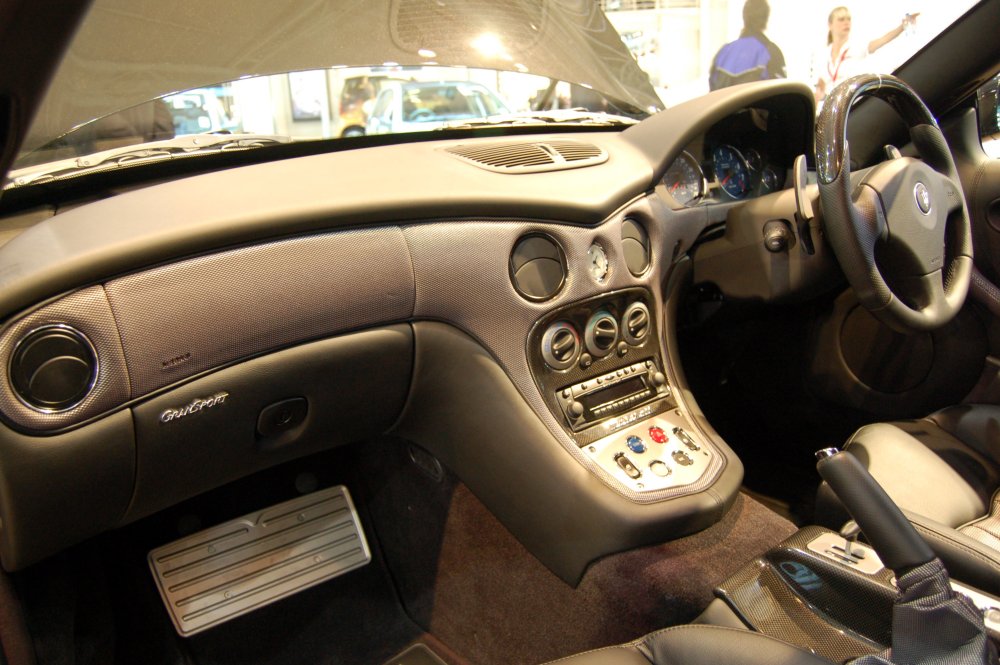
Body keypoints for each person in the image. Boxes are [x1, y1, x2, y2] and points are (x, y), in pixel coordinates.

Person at [812, 6, 919, 103]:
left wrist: (902, 27)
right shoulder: (823, 54)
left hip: (853, 103)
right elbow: (820, 88)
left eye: (848, 19)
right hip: (833, 108)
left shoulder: (856, 46)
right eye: (841, 19)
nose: (846, 22)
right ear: (830, 25)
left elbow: (883, 40)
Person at [709, 0, 786, 91]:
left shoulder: (723, 53)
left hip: (727, 105)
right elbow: (781, 94)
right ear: (766, 18)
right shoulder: (771, 52)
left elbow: (712, 94)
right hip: (756, 105)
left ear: (744, 17)